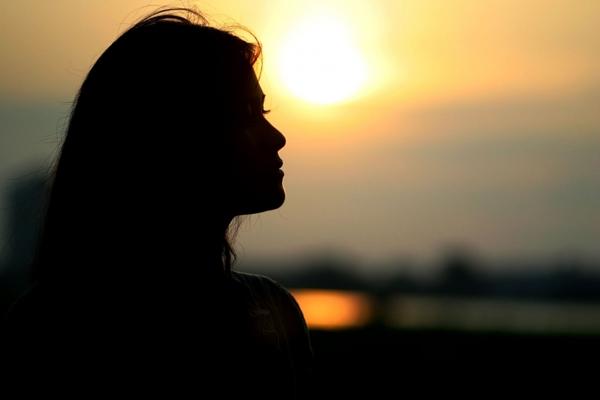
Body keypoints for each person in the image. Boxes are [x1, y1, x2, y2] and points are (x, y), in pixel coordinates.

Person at [4, 7, 312, 397]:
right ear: (170, 135)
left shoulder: (273, 312)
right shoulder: (54, 328)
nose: (276, 137)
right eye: (246, 114)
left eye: (262, 111)